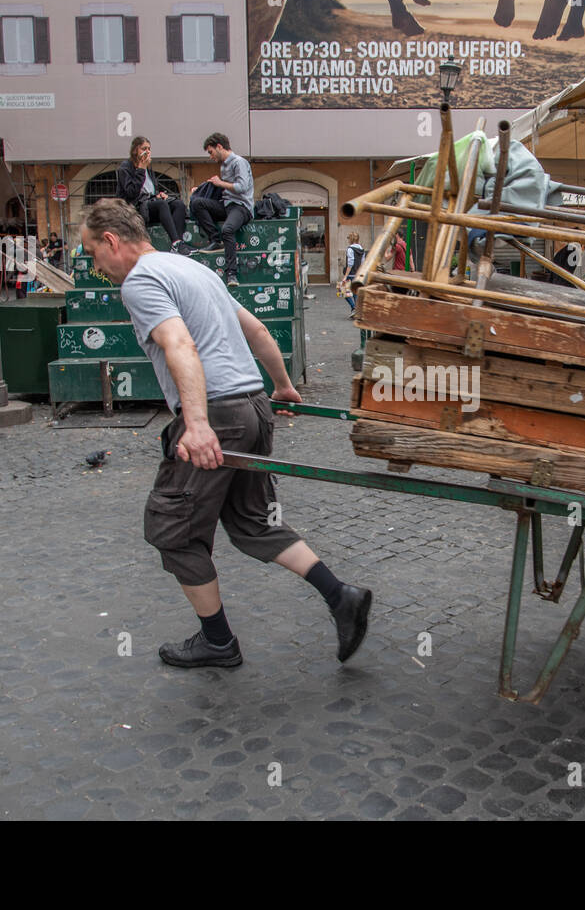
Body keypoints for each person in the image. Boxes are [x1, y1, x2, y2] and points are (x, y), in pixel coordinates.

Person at [80, 198, 373, 668]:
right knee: (255, 521)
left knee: (171, 529)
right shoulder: (192, 269)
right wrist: (282, 385)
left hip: (217, 414)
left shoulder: (141, 281)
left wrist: (195, 425)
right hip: (253, 405)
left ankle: (217, 641)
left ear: (112, 241)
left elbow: (180, 344)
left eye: (94, 253)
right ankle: (342, 597)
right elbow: (256, 330)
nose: (98, 267)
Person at [189, 133, 254, 287]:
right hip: (227, 204)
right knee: (197, 203)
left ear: (219, 147)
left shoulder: (239, 163)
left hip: (241, 206)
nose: (210, 156)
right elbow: (225, 189)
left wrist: (219, 183)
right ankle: (215, 240)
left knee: (228, 229)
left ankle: (231, 274)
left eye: (211, 152)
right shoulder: (224, 165)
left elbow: (242, 187)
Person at [117, 136, 192, 255]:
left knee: (178, 204)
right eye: (144, 148)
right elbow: (131, 192)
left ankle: (179, 243)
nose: (147, 152)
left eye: (149, 149)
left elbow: (151, 189)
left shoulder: (148, 168)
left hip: (149, 203)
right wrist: (141, 169)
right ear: (135, 150)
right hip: (135, 208)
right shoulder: (126, 167)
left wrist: (158, 194)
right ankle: (175, 242)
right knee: (161, 205)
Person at [339, 232, 365, 316]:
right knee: (355, 292)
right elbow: (362, 263)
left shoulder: (350, 249)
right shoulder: (361, 249)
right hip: (357, 274)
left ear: (351, 239)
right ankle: (356, 310)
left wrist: (345, 276)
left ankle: (354, 308)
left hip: (350, 274)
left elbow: (350, 263)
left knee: (343, 290)